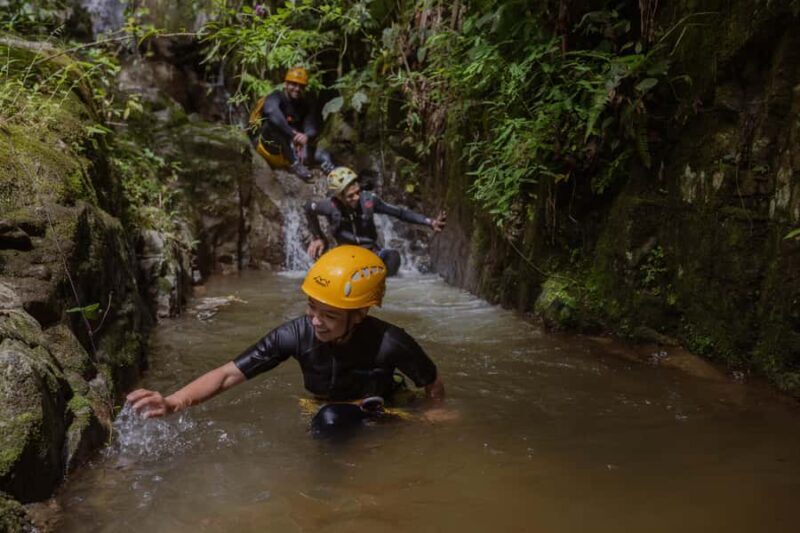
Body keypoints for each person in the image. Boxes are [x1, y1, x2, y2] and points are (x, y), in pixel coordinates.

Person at [126, 246, 445, 436]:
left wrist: (435, 413)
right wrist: (172, 403)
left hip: (382, 412)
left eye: (330, 315)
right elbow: (229, 374)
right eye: (312, 307)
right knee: (328, 420)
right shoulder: (295, 335)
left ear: (359, 314)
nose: (316, 321)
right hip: (328, 410)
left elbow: (432, 383)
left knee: (330, 421)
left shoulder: (391, 342)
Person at [304, 167, 446, 276]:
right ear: (338, 197)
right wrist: (318, 237)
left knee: (394, 257)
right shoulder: (329, 206)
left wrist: (429, 222)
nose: (356, 197)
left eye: (358, 192)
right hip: (346, 256)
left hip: (371, 254)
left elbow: (400, 213)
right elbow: (308, 208)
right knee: (323, 262)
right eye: (350, 196)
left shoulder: (369, 201)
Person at [248, 66, 335, 182]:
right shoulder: (275, 97)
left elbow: (311, 126)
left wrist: (306, 136)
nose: (297, 89)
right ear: (286, 84)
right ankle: (295, 164)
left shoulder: (304, 105)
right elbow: (271, 112)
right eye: (293, 84)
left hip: (294, 149)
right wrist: (292, 134)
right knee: (272, 125)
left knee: (324, 155)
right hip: (270, 147)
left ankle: (333, 175)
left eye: (301, 86)